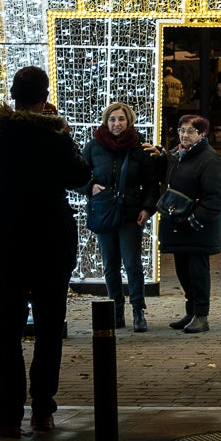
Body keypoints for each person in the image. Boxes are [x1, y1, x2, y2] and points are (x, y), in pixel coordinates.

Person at [0, 65, 90, 437]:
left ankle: (8, 413)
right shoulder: (53, 138)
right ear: (45, 97)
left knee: (7, 331)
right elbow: (80, 176)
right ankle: (43, 410)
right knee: (49, 328)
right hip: (49, 246)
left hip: (5, 245)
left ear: (13, 94)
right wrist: (60, 129)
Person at [82, 102, 162, 332]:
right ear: (106, 122)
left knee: (132, 263)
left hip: (130, 214)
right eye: (112, 119)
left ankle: (138, 310)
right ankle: (116, 311)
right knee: (110, 264)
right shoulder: (94, 146)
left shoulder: (139, 147)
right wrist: (90, 187)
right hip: (105, 214)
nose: (117, 124)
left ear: (129, 122)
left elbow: (151, 183)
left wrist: (147, 209)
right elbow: (76, 175)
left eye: (121, 119)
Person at [157, 114, 221, 334]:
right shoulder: (178, 155)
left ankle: (201, 315)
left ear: (202, 134)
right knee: (183, 271)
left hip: (196, 227)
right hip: (178, 222)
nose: (184, 135)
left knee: (197, 272)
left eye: (190, 131)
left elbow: (215, 197)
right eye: (181, 130)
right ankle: (191, 311)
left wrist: (196, 219)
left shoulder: (209, 158)